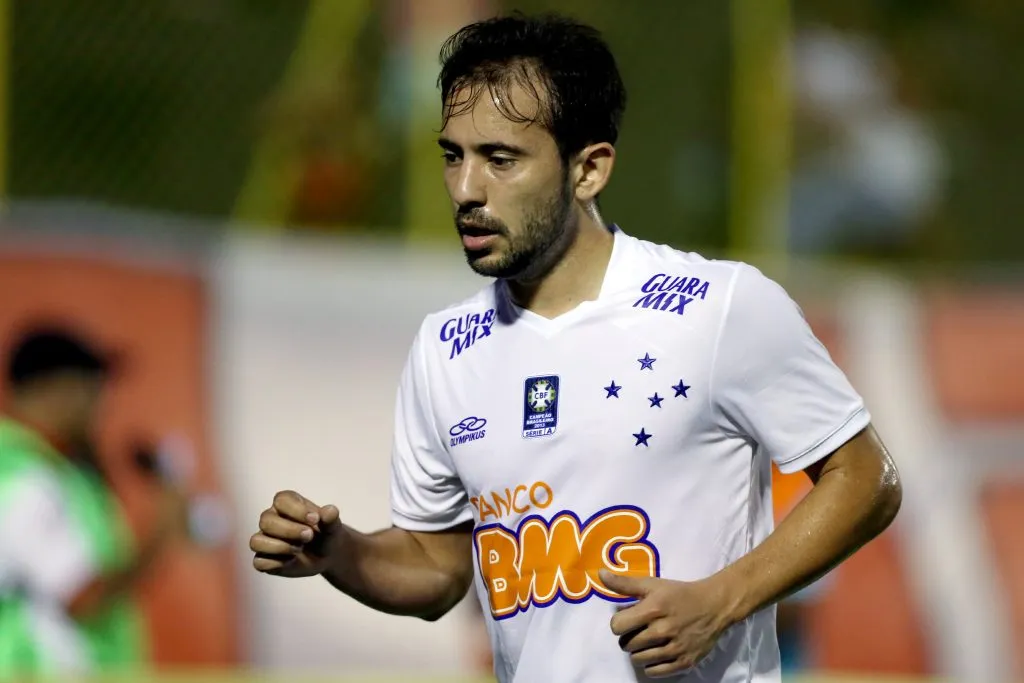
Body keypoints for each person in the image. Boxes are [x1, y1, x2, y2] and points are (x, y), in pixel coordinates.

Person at [250, 12, 902, 682]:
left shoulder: (719, 307)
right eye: (454, 155)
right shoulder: (445, 349)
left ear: (588, 169)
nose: (467, 190)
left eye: (501, 159)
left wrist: (720, 600)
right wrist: (341, 554)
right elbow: (438, 569)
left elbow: (867, 480)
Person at [0, 326, 186, 675]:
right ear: (50, 389)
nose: (102, 401)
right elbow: (82, 596)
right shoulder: (17, 474)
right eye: (90, 385)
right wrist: (162, 528)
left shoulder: (58, 468)